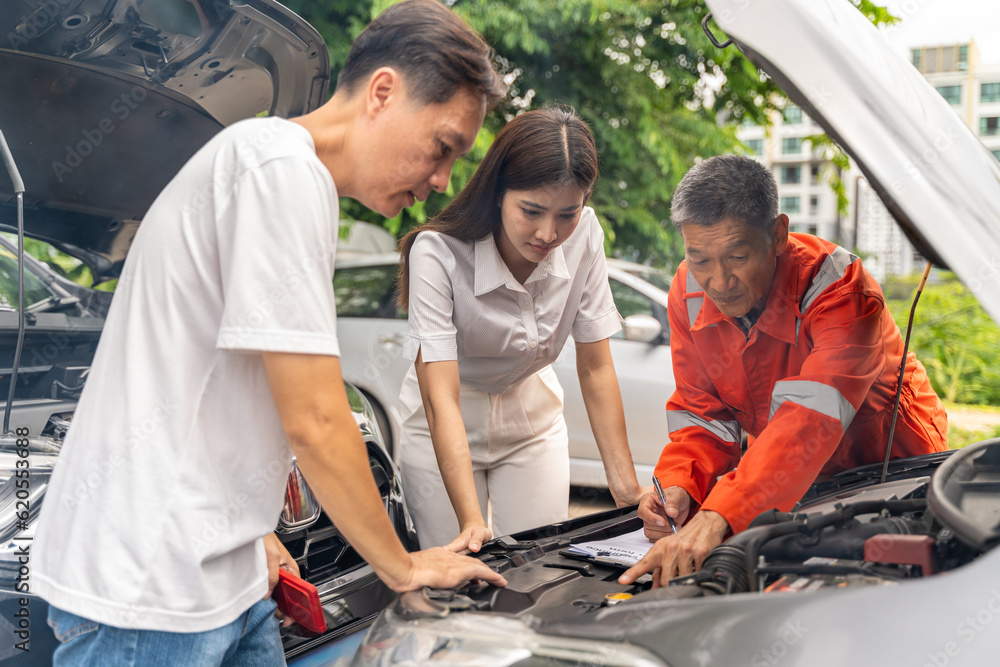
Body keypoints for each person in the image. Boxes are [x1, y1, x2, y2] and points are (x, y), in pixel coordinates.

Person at [34, 1, 508, 664]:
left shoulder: (271, 167)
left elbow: (233, 388)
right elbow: (314, 414)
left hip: (227, 574)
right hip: (149, 598)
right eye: (443, 146)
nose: (440, 181)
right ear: (382, 92)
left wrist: (251, 524)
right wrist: (402, 566)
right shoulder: (278, 171)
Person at [618, 154, 948, 588]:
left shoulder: (839, 286)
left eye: (737, 256)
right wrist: (679, 489)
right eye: (699, 259)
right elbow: (702, 416)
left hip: (893, 473)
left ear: (778, 234)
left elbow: (810, 420)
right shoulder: (687, 291)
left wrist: (722, 513)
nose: (718, 282)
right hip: (785, 484)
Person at [396, 107, 649, 552]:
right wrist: (472, 521)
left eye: (567, 213)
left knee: (541, 568)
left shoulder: (586, 235)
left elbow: (595, 368)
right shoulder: (437, 253)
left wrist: (627, 489)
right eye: (531, 210)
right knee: (456, 582)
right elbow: (441, 398)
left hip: (533, 422)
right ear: (497, 192)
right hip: (444, 428)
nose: (548, 233)